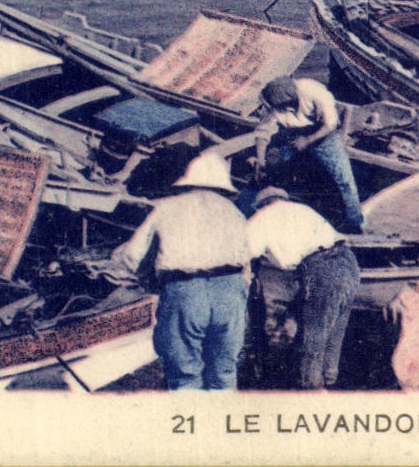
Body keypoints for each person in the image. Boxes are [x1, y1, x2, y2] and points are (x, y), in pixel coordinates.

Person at [108, 151, 250, 391]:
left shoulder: (166, 207)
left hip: (184, 290)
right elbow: (247, 260)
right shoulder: (233, 212)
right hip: (229, 289)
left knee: (185, 375)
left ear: (189, 181)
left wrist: (147, 278)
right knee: (224, 372)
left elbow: (132, 255)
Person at [244, 186, 361, 390]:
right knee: (334, 330)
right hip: (348, 260)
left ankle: (310, 388)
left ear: (261, 205)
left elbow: (245, 254)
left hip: (323, 267)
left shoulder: (260, 218)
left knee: (313, 336)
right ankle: (329, 380)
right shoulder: (303, 210)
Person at [251, 77, 365, 233]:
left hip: (325, 135)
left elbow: (330, 124)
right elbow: (263, 132)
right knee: (274, 163)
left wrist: (308, 140)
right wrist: (261, 162)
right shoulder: (275, 101)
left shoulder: (313, 91)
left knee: (344, 180)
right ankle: (276, 211)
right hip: (295, 137)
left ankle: (354, 225)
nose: (279, 110)